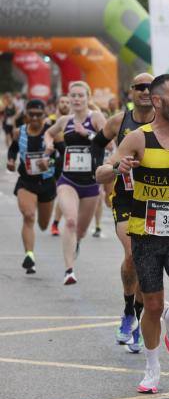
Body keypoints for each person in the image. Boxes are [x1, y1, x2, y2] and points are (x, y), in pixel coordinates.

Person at [97, 74, 169, 393]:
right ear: (158, 101)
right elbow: (101, 172)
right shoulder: (137, 138)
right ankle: (152, 367)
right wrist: (116, 170)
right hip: (144, 235)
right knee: (153, 305)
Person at [92, 73, 154, 352]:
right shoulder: (119, 121)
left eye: (150, 87)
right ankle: (129, 309)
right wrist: (105, 170)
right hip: (125, 196)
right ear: (130, 91)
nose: (145, 91)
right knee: (133, 254)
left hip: (155, 198)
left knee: (145, 260)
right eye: (139, 87)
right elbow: (96, 144)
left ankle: (138, 319)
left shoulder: (164, 121)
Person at [44, 81, 107, 285]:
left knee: (80, 230)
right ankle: (69, 270)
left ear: (88, 98)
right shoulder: (64, 120)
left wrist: (87, 134)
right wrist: (48, 146)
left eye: (81, 95)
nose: (77, 99)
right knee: (70, 220)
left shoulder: (95, 118)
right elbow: (49, 133)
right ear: (69, 98)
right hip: (68, 180)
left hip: (90, 184)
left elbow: (111, 142)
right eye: (73, 95)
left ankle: (76, 241)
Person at [6, 99, 59, 274]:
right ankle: (29, 255)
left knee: (43, 225)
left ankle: (42, 228)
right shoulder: (19, 132)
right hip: (26, 181)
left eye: (39, 114)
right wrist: (11, 161)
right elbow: (13, 149)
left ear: (45, 114)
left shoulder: (52, 132)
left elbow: (63, 154)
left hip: (47, 182)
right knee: (28, 216)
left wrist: (50, 161)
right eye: (31, 114)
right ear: (26, 115)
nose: (35, 118)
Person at [50, 96, 72, 237]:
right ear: (57, 104)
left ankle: (57, 222)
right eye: (62, 102)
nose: (64, 104)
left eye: (67, 102)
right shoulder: (51, 120)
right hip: (56, 162)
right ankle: (56, 223)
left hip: (74, 163)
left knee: (66, 195)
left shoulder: (75, 120)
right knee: (61, 195)